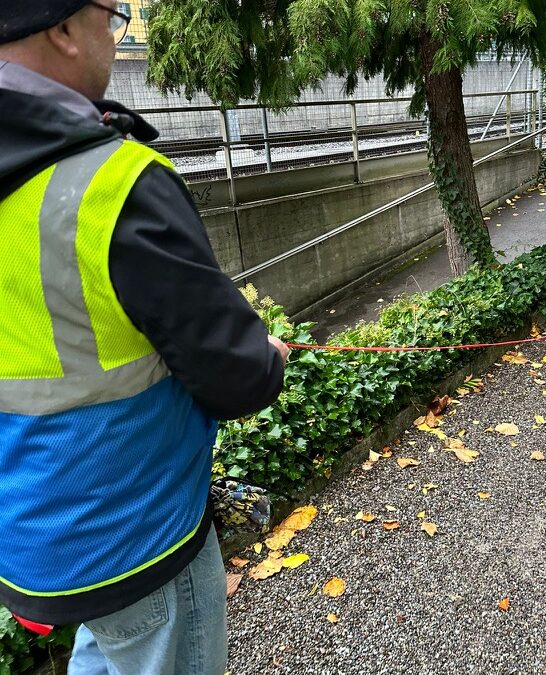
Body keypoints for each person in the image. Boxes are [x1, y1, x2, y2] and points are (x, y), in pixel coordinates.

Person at [0, 1, 290, 673]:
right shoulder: (111, 182)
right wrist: (266, 360)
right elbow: (233, 373)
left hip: (34, 535)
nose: (114, 31)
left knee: (106, 648)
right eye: (110, 14)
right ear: (64, 28)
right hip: (137, 533)